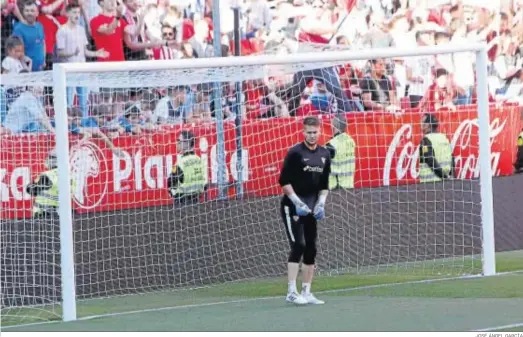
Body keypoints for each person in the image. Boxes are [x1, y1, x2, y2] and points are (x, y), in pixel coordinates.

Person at [278, 116, 331, 305]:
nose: (312, 135)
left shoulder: (325, 154)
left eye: (315, 132)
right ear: (303, 132)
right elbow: (284, 182)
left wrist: (321, 202)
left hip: (311, 206)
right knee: (298, 245)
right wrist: (296, 202)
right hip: (292, 205)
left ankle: (307, 291)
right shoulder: (295, 153)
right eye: (308, 132)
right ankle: (291, 291)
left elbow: (324, 183)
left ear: (320, 131)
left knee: (311, 248)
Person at [26, 149, 73, 217]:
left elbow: (30, 190)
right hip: (64, 214)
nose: (48, 159)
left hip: (45, 214)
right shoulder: (70, 175)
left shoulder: (48, 175)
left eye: (50, 157)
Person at [167, 130, 207, 204]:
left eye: (179, 141)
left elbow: (171, 182)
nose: (177, 143)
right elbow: (205, 183)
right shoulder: (199, 160)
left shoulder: (180, 162)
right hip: (196, 200)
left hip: (182, 201)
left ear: (187, 143)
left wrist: (174, 195)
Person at [419, 113, 454, 183]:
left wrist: (444, 176)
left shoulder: (426, 140)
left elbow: (430, 160)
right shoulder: (444, 137)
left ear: (428, 125)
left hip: (430, 182)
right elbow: (452, 158)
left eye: (422, 122)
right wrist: (450, 176)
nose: (421, 125)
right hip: (445, 182)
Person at [326, 114, 356, 189]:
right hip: (349, 184)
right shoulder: (351, 140)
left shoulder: (332, 144)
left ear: (333, 126)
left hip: (336, 186)